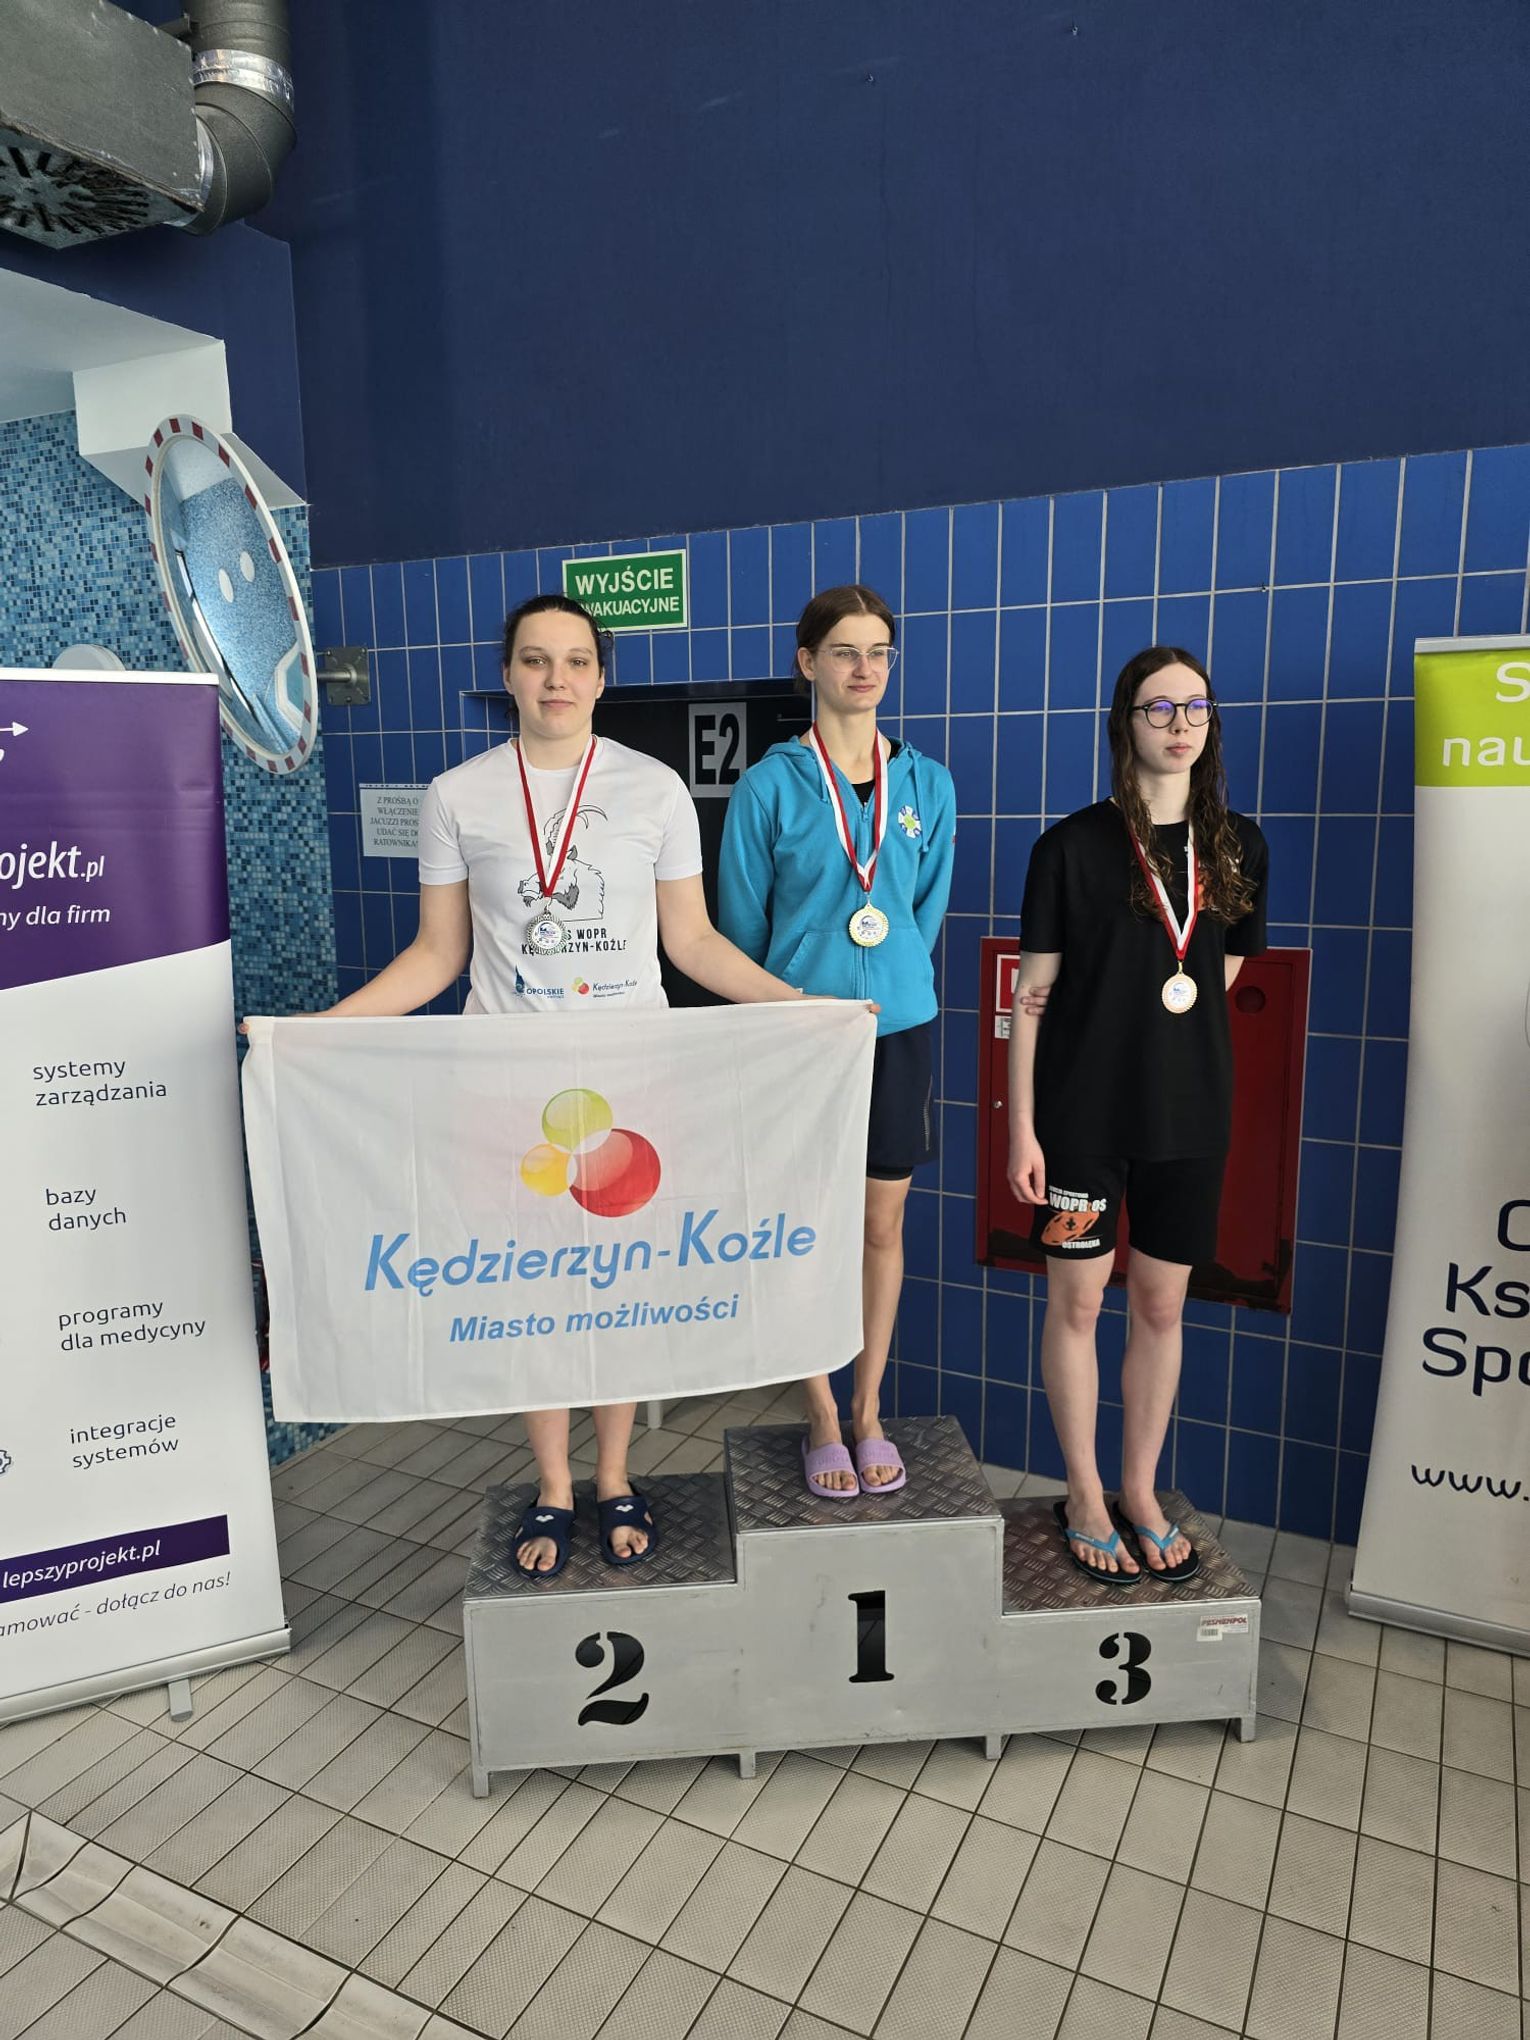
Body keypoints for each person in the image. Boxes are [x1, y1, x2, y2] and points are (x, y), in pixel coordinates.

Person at [326, 592, 809, 1578]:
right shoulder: (458, 796)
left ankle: (615, 1474)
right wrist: (319, 1032)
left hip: (631, 1086)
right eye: (537, 660)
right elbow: (436, 956)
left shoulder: (654, 790)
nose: (557, 679)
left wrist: (801, 1006)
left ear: (601, 676)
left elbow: (692, 943)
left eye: (577, 660)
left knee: (618, 1291)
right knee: (535, 1294)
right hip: (511, 1092)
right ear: (507, 674)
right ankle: (553, 1483)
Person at [1006, 646, 1267, 1583]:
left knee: (1161, 1305)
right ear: (1125, 722)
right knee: (1077, 1303)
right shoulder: (1069, 847)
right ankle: (1085, 1493)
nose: (1180, 724)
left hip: (1190, 1118)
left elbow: (1218, 974)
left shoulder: (1238, 846)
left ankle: (1140, 1491)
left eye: (1196, 706)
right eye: (1159, 708)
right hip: (1081, 1118)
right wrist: (1022, 1128)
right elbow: (1031, 999)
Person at [718, 584, 956, 1496]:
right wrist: (797, 1003)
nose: (865, 668)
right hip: (800, 1040)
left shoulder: (928, 785)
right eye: (846, 651)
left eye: (880, 652)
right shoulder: (770, 786)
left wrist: (887, 981)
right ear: (807, 662)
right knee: (803, 1228)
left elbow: (921, 913)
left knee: (880, 1225)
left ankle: (867, 1407)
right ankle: (819, 1408)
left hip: (897, 1029)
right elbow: (742, 929)